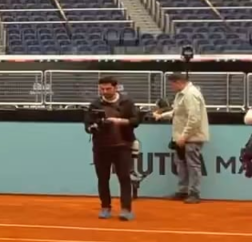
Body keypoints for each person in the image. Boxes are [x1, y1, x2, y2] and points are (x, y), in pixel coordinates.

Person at [85, 76, 141, 220]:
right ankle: (105, 207)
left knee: (124, 178)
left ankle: (126, 209)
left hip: (123, 146)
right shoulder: (94, 104)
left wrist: (119, 121)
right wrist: (93, 127)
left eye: (108, 88)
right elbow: (87, 125)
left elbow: (136, 121)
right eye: (102, 89)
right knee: (103, 178)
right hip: (101, 147)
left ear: (116, 87)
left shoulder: (127, 102)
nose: (105, 91)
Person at [152, 72, 209, 203]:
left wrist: (184, 136)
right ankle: (183, 191)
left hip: (191, 137)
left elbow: (194, 119)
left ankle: (194, 193)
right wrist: (161, 116)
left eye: (172, 84)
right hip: (181, 137)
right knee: (181, 163)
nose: (171, 87)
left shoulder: (191, 94)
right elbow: (177, 111)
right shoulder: (182, 94)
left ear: (178, 82)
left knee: (192, 165)